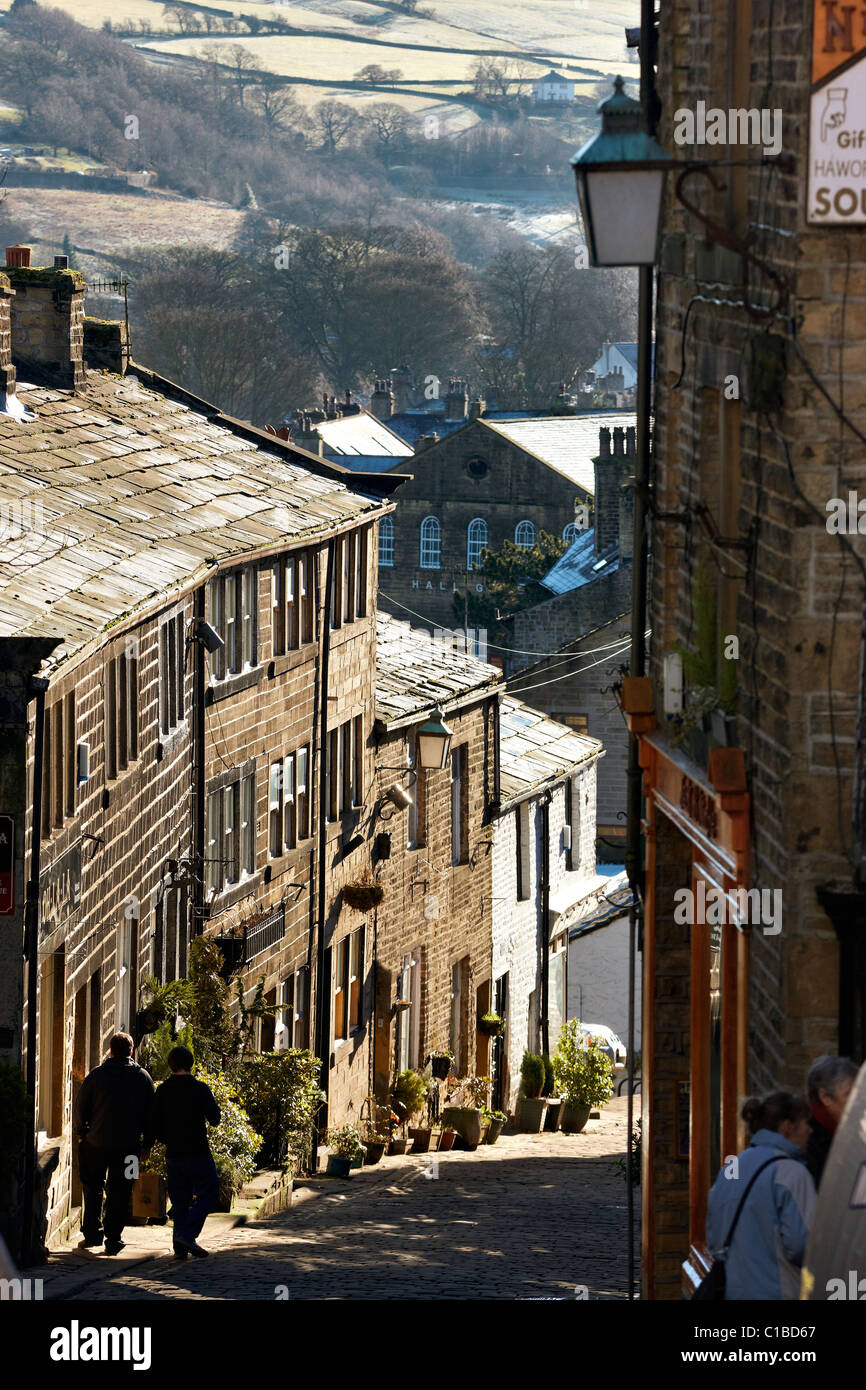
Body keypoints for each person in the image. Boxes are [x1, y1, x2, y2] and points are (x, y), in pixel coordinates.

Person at [705, 1091, 816, 1300]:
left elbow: (714, 1238)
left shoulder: (732, 1168)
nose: (810, 1130)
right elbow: (804, 1246)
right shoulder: (792, 1173)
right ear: (787, 1126)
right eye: (805, 1123)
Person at [72, 1031, 155, 1255]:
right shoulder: (143, 1078)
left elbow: (81, 1106)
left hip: (95, 1144)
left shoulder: (96, 1075)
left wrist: (82, 1133)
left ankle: (91, 1233)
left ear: (110, 1050)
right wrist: (147, 1144)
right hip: (130, 1148)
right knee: (122, 1190)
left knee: (93, 1187)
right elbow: (151, 1115)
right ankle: (114, 1237)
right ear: (131, 1051)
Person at [151, 1045, 221, 1259]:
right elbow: (215, 1119)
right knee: (209, 1193)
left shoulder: (162, 1090)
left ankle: (180, 1248)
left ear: (170, 1064)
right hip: (197, 1150)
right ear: (191, 1064)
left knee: (180, 1200)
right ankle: (188, 1235)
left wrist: (164, 1139)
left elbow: (154, 1122)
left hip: (174, 1152)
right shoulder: (199, 1088)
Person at [804, 1055, 858, 1188]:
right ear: (825, 1097)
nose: (857, 1101)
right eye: (849, 1094)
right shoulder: (805, 1137)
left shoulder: (847, 1131)